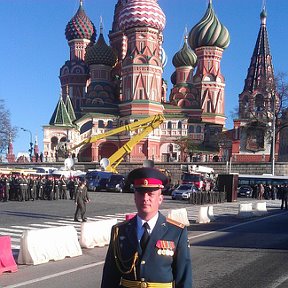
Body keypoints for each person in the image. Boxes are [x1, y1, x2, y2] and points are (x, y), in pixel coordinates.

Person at [101, 167, 192, 288]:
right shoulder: (120, 231)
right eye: (141, 193)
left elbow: (184, 278)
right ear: (134, 197)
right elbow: (110, 276)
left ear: (160, 199)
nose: (145, 198)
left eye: (151, 194)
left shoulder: (176, 231)